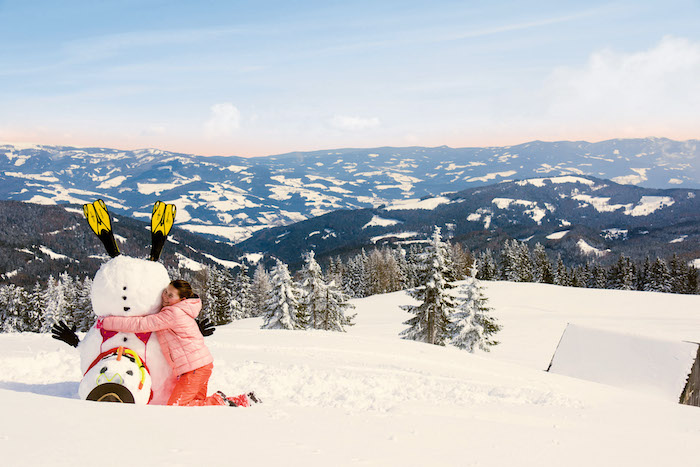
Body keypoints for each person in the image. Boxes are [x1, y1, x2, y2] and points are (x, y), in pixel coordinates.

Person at [99, 279, 258, 407]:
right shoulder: (180, 310)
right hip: (200, 365)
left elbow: (141, 324)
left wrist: (106, 323)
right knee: (196, 408)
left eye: (171, 296)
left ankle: (221, 401)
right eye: (165, 292)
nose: (165, 297)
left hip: (195, 368)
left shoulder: (172, 313)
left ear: (181, 299)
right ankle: (242, 401)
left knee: (178, 408)